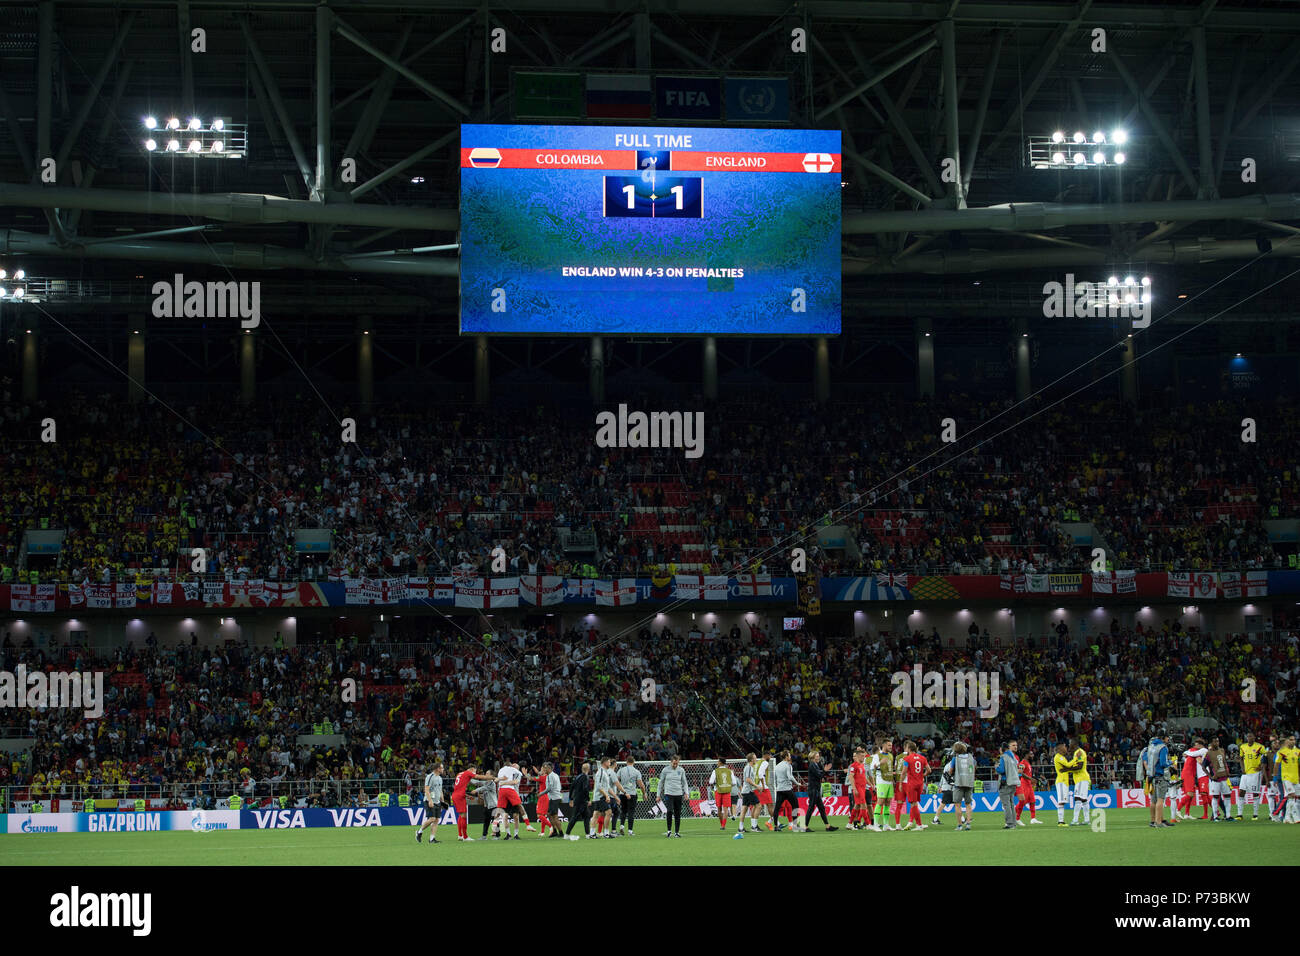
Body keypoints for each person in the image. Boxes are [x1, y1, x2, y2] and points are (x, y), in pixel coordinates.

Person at [449, 764, 490, 842]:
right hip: (459, 796)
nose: (474, 773)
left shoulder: (460, 774)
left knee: (460, 816)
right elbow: (478, 777)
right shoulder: (468, 773)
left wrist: (467, 796)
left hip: (455, 795)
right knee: (464, 816)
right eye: (475, 771)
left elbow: (458, 788)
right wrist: (491, 777)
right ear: (472, 769)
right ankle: (465, 837)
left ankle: (460, 835)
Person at [1138, 734, 1172, 829]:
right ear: (1164, 738)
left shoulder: (1150, 747)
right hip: (1160, 776)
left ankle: (1154, 821)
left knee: (1153, 800)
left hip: (1151, 776)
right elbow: (1163, 763)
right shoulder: (1163, 747)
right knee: (1160, 800)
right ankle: (1158, 822)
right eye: (1167, 737)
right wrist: (1171, 762)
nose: (1168, 739)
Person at [898, 740, 930, 831]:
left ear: (909, 749)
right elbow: (929, 770)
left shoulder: (907, 759)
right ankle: (913, 823)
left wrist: (900, 783)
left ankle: (919, 825)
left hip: (911, 784)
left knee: (913, 804)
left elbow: (903, 772)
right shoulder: (922, 758)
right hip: (920, 783)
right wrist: (923, 775)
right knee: (915, 803)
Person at [803, 749, 836, 831]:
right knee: (811, 807)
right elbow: (819, 775)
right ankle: (805, 826)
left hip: (815, 789)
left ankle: (827, 826)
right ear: (813, 757)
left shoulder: (815, 764)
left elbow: (820, 775)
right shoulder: (812, 765)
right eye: (817, 756)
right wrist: (824, 771)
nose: (819, 757)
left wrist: (823, 773)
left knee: (821, 808)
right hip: (813, 789)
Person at [1204, 737, 1236, 822]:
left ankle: (1228, 816)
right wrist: (1210, 776)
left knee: (1228, 796)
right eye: (1214, 741)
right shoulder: (1209, 753)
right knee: (1215, 797)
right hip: (1215, 779)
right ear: (1211, 743)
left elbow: (1224, 762)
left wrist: (1227, 771)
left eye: (1217, 741)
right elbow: (1203, 766)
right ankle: (1215, 816)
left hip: (1224, 778)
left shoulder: (1222, 750)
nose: (1216, 743)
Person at [1237, 732, 1267, 821]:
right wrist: (1242, 769)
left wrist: (1261, 766)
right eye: (1248, 736)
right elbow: (1241, 759)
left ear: (1254, 737)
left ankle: (1255, 814)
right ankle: (1239, 814)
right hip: (1246, 773)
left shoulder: (1260, 747)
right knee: (1241, 792)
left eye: (1251, 736)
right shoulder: (1243, 747)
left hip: (1255, 773)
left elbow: (1265, 758)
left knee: (1255, 793)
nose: (1249, 737)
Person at [870, 739, 897, 832]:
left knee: (888, 802)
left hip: (889, 781)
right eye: (889, 745)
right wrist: (879, 763)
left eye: (891, 745)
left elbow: (890, 768)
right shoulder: (877, 756)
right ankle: (875, 825)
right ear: (884, 745)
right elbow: (872, 767)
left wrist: (893, 780)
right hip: (881, 781)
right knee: (880, 801)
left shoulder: (890, 755)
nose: (891, 747)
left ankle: (886, 825)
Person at [658, 754, 688, 838]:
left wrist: (686, 793)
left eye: (677, 763)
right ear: (671, 762)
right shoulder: (665, 770)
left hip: (678, 794)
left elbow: (684, 782)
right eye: (674, 763)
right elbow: (660, 783)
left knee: (678, 813)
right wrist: (658, 795)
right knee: (670, 811)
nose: (675, 765)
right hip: (668, 794)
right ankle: (669, 831)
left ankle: (676, 832)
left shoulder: (681, 770)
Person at [948, 743, 976, 831]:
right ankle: (968, 824)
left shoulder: (955, 759)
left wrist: (951, 775)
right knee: (968, 804)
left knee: (957, 804)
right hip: (969, 782)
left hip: (959, 783)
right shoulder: (971, 757)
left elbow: (951, 770)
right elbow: (973, 768)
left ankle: (960, 825)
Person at [416, 760, 445, 844]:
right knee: (432, 818)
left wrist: (442, 802)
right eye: (442, 768)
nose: (443, 769)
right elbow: (426, 789)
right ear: (437, 769)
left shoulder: (440, 778)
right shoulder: (430, 776)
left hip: (437, 801)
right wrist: (430, 801)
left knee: (436, 820)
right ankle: (419, 832)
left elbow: (440, 790)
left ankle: (432, 839)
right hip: (430, 800)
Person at [496, 759, 526, 841]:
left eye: (516, 765)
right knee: (505, 816)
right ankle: (508, 834)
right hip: (506, 795)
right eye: (513, 765)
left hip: (513, 795)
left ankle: (516, 834)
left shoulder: (517, 774)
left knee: (516, 816)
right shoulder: (505, 771)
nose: (514, 766)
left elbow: (515, 781)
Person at [773, 750, 802, 831]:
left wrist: (777, 786)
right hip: (787, 789)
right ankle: (795, 825)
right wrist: (797, 783)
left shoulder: (777, 766)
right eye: (789, 755)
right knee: (795, 806)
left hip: (779, 789)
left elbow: (775, 778)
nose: (790, 756)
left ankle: (775, 826)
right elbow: (790, 777)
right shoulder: (788, 765)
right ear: (786, 757)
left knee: (777, 808)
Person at [616, 758, 646, 835]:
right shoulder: (636, 771)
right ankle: (630, 831)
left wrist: (617, 790)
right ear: (634, 762)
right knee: (631, 812)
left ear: (626, 762)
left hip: (623, 793)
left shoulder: (621, 770)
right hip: (632, 793)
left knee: (623, 810)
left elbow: (616, 780)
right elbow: (641, 784)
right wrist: (644, 793)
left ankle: (622, 826)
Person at [995, 740, 1020, 830]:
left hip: (1005, 783)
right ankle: (1013, 823)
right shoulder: (1013, 757)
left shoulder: (1003, 757)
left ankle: (1009, 823)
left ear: (1002, 749)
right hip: (1013, 783)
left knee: (1006, 805)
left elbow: (1001, 770)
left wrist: (996, 767)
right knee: (1011, 803)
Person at [537, 762, 565, 838]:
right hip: (555, 796)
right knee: (549, 814)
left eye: (545, 768)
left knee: (555, 816)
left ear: (549, 768)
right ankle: (555, 831)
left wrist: (541, 793)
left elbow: (549, 788)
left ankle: (561, 833)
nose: (544, 769)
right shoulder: (555, 775)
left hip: (554, 797)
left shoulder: (550, 776)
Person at [736, 752, 760, 838]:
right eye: (755, 758)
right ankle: (754, 826)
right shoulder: (749, 767)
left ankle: (740, 828)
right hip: (748, 791)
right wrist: (757, 786)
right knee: (758, 806)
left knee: (744, 809)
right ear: (751, 760)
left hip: (745, 791)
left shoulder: (748, 767)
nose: (756, 759)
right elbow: (748, 779)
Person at [566, 761, 592, 840]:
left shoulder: (577, 777)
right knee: (575, 817)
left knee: (587, 815)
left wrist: (570, 798)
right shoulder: (585, 777)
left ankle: (588, 834)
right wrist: (588, 799)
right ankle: (567, 834)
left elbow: (571, 788)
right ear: (588, 769)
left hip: (577, 799)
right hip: (582, 800)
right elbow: (585, 789)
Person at [1014, 748, 1041, 825]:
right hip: (1024, 784)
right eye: (1031, 754)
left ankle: (1033, 818)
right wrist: (1031, 779)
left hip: (1029, 784)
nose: (1032, 755)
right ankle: (1016, 817)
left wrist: (1031, 780)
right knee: (1023, 802)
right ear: (1027, 755)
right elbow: (1020, 773)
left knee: (1032, 801)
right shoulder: (1022, 763)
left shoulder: (1027, 762)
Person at [1067, 738, 1091, 827]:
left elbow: (1080, 766)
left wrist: (1067, 769)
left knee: (1077, 798)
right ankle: (1087, 820)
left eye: (1070, 743)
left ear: (1074, 744)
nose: (1069, 745)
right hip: (1081, 779)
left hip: (1082, 778)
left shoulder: (1079, 752)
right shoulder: (1076, 753)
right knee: (1084, 799)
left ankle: (1075, 820)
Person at [593, 757, 617, 838]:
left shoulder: (605, 772)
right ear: (605, 762)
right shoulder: (600, 772)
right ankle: (606, 833)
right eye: (609, 762)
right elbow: (599, 786)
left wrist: (615, 796)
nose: (610, 763)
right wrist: (606, 795)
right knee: (608, 812)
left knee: (596, 814)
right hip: (600, 797)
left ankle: (592, 834)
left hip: (601, 796)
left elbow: (608, 787)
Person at [708, 758, 735, 831]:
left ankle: (721, 824)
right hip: (727, 791)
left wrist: (715, 785)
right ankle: (723, 825)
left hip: (718, 791)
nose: (717, 763)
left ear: (720, 762)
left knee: (719, 808)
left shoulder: (715, 771)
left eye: (718, 761)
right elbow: (734, 782)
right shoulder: (729, 771)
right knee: (726, 809)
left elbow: (711, 781)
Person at [846, 747, 869, 831]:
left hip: (863, 788)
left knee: (857, 806)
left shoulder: (862, 765)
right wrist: (854, 789)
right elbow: (850, 776)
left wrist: (870, 784)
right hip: (858, 788)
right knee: (864, 805)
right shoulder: (853, 766)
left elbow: (863, 777)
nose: (864, 757)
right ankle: (868, 824)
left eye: (864, 756)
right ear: (858, 756)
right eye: (862, 756)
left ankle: (849, 824)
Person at [1279, 734, 1300, 824]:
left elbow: (1298, 765)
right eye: (1291, 739)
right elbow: (1276, 764)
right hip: (1286, 777)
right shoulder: (1282, 751)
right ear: (1287, 741)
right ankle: (1295, 817)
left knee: (1294, 798)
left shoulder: (1298, 751)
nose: (1293, 741)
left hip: (1295, 778)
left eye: (1294, 740)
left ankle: (1287, 817)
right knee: (1292, 796)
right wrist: (1275, 776)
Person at [1052, 742, 1073, 827]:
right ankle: (1060, 822)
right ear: (1060, 749)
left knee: (1063, 802)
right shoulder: (1058, 757)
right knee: (1061, 801)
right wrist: (1076, 759)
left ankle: (1062, 821)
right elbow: (1068, 765)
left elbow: (1067, 768)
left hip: (1065, 781)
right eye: (1064, 746)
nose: (1066, 748)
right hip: (1061, 781)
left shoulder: (1062, 757)